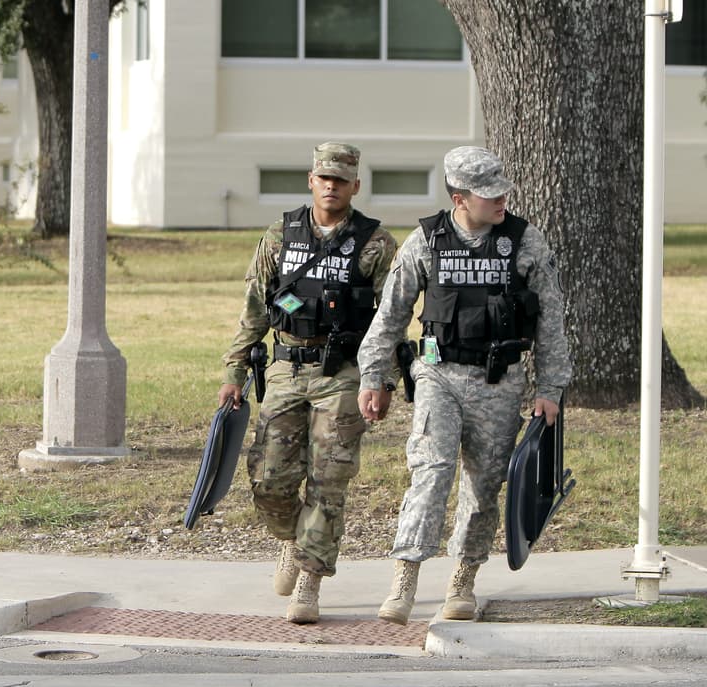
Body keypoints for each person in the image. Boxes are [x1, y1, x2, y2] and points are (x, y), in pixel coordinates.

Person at [356, 146, 572, 625]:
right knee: (430, 472)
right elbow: (390, 314)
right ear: (459, 199)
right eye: (488, 195)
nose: (501, 201)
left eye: (503, 192)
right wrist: (374, 375)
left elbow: (551, 321)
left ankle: (463, 579)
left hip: (501, 383)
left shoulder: (523, 241)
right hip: (439, 375)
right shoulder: (426, 242)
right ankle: (404, 579)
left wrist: (550, 388)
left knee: (483, 487)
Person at [219, 142, 397, 624]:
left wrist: (381, 379)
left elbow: (391, 320)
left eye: (341, 179)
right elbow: (255, 307)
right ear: (311, 181)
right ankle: (293, 542)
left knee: (328, 480)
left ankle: (310, 581)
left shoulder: (376, 243)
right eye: (324, 177)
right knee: (268, 479)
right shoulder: (281, 233)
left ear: (355, 186)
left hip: (342, 374)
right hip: (285, 368)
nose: (332, 186)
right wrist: (234, 373)